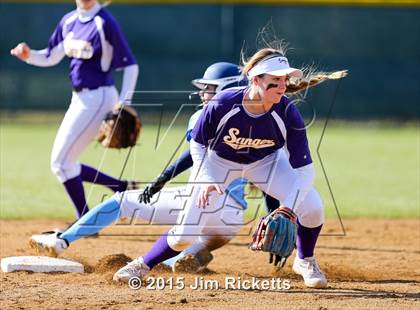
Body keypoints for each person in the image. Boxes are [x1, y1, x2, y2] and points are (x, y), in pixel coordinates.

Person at [109, 46, 328, 289]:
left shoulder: (287, 112)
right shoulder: (223, 103)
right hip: (218, 162)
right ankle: (141, 265)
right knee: (184, 235)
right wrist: (206, 178)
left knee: (313, 207)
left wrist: (287, 209)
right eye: (275, 80)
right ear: (256, 79)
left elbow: (305, 171)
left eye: (284, 80)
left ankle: (305, 260)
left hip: (265, 162)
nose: (283, 86)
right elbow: (198, 146)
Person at [29, 62, 251, 273]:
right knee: (183, 240)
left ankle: (61, 240)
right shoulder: (260, 122)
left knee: (121, 202)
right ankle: (186, 257)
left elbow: (191, 156)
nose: (203, 94)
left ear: (227, 88)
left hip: (206, 201)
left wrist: (161, 179)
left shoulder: (205, 115)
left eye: (209, 89)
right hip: (233, 220)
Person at [10, 0, 139, 219]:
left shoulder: (104, 23)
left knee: (61, 163)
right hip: (79, 98)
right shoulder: (68, 21)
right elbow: (50, 56)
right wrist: (29, 55)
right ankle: (120, 188)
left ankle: (86, 219)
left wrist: (124, 103)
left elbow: (130, 65)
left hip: (99, 97)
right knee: (64, 163)